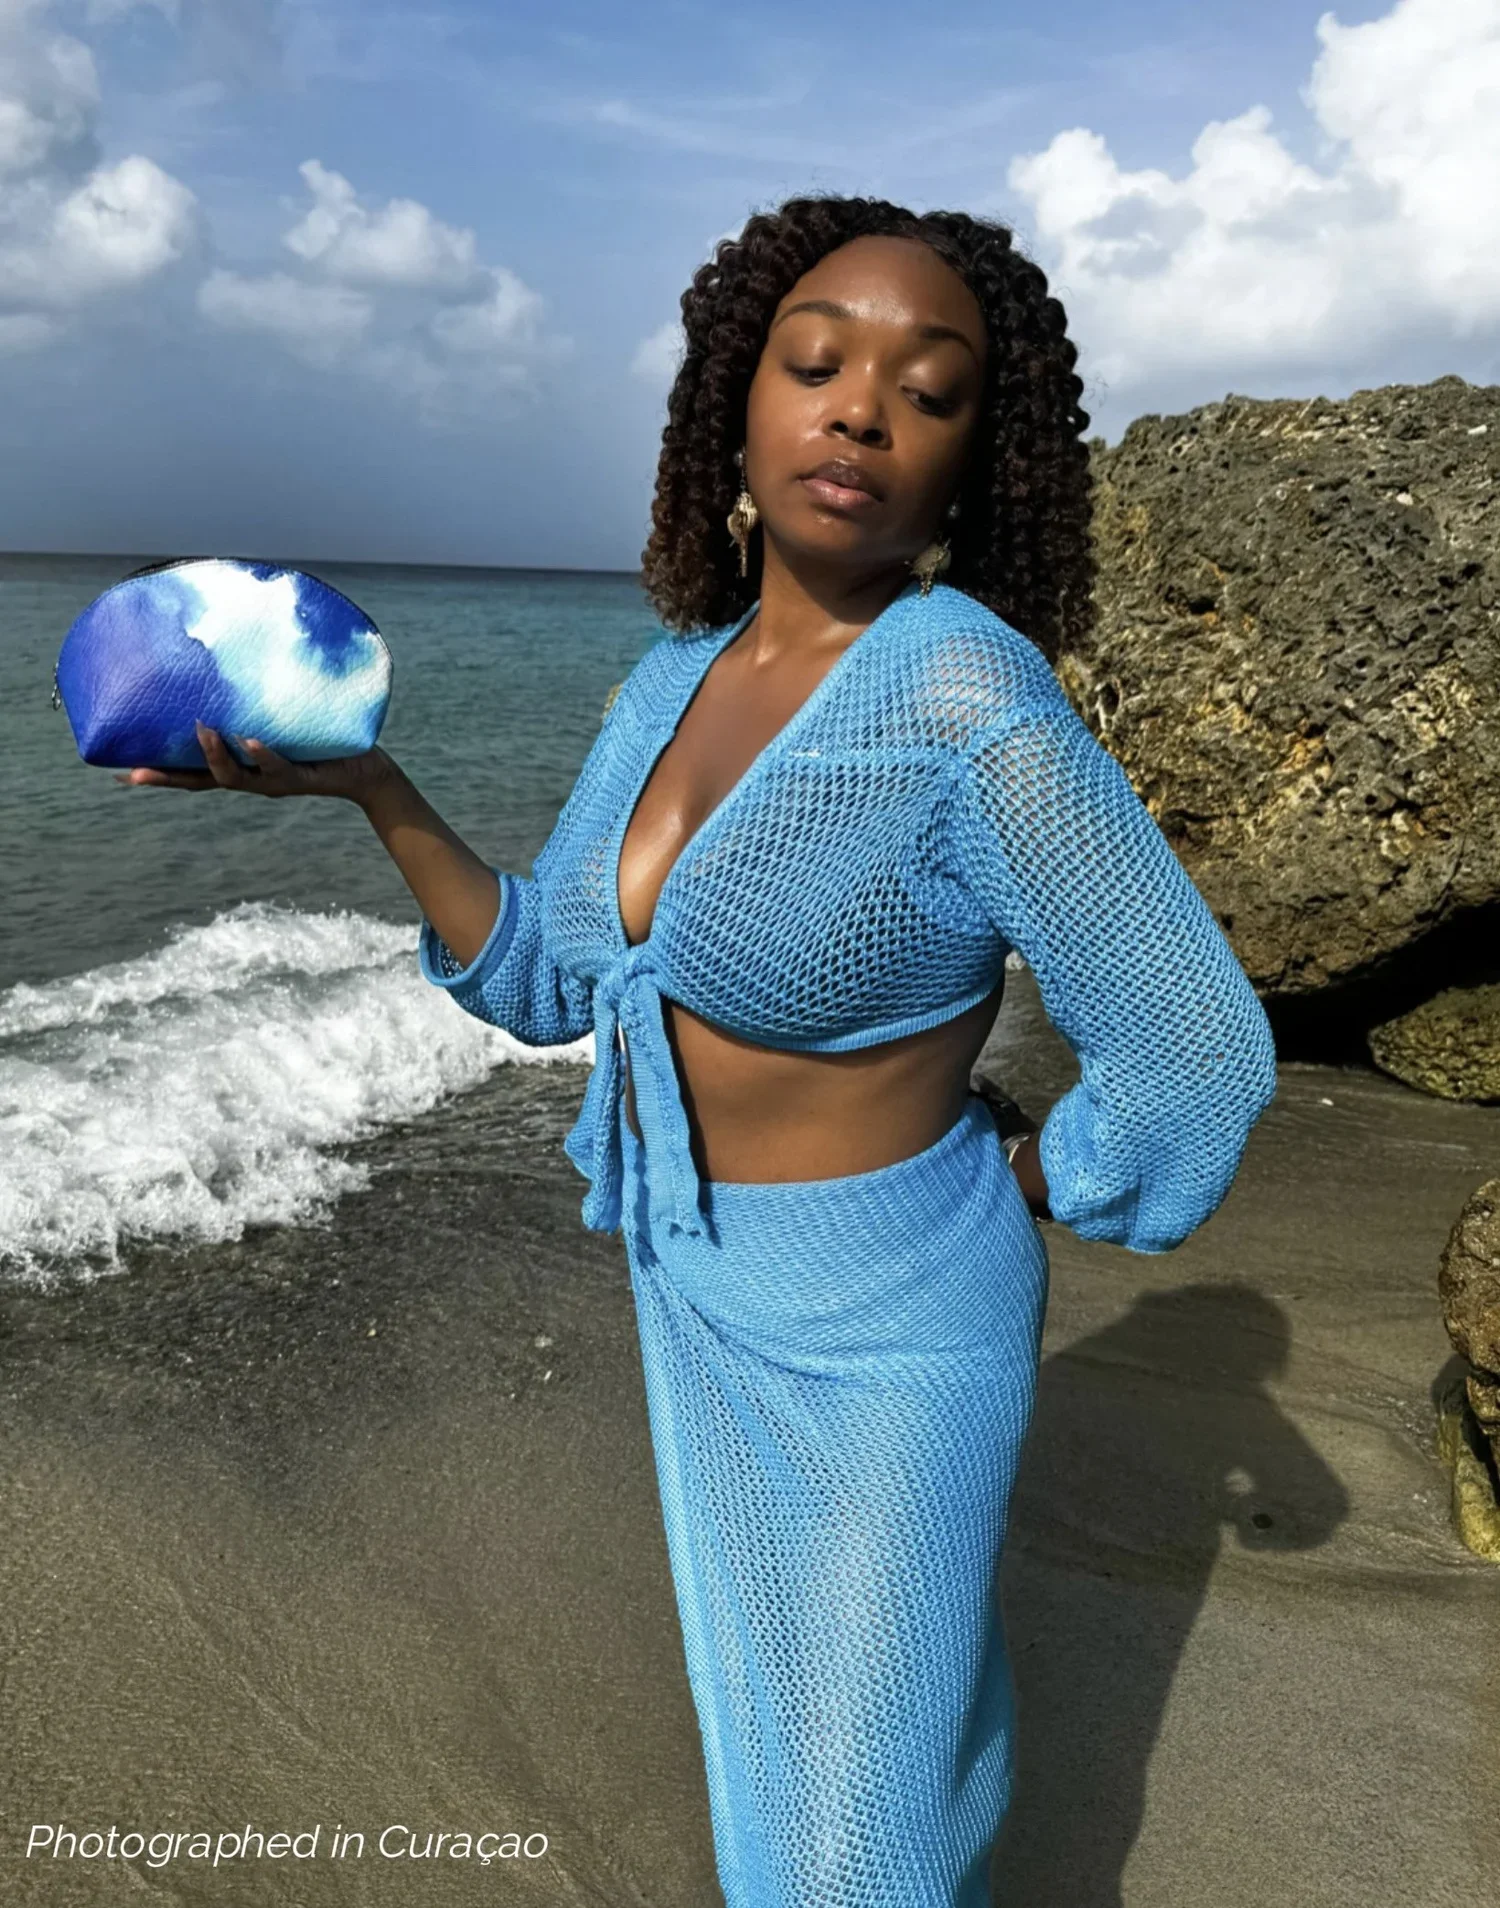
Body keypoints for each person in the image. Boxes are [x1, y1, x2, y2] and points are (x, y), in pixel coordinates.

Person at [118, 193, 1279, 1907]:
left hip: (900, 1319)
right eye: (815, 365)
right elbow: (553, 983)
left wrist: (1035, 1176)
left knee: (859, 1843)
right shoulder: (671, 679)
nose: (861, 411)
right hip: (694, 1279)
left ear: (976, 462)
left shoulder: (969, 702)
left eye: (927, 391)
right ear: (735, 406)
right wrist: (375, 789)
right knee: (786, 1771)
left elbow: (1193, 1050)